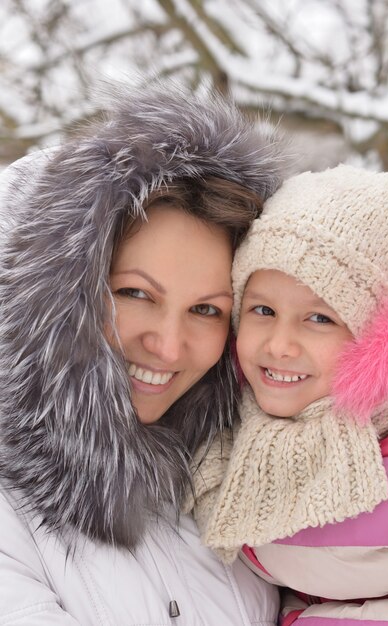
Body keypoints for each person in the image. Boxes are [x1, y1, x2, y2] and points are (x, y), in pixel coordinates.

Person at [0, 80, 285, 624]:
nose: (169, 346)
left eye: (207, 309)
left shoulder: (229, 492)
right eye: (134, 293)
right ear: (46, 298)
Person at [189, 165, 388, 625]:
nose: (278, 345)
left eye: (319, 319)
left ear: (381, 335)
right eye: (263, 310)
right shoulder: (222, 432)